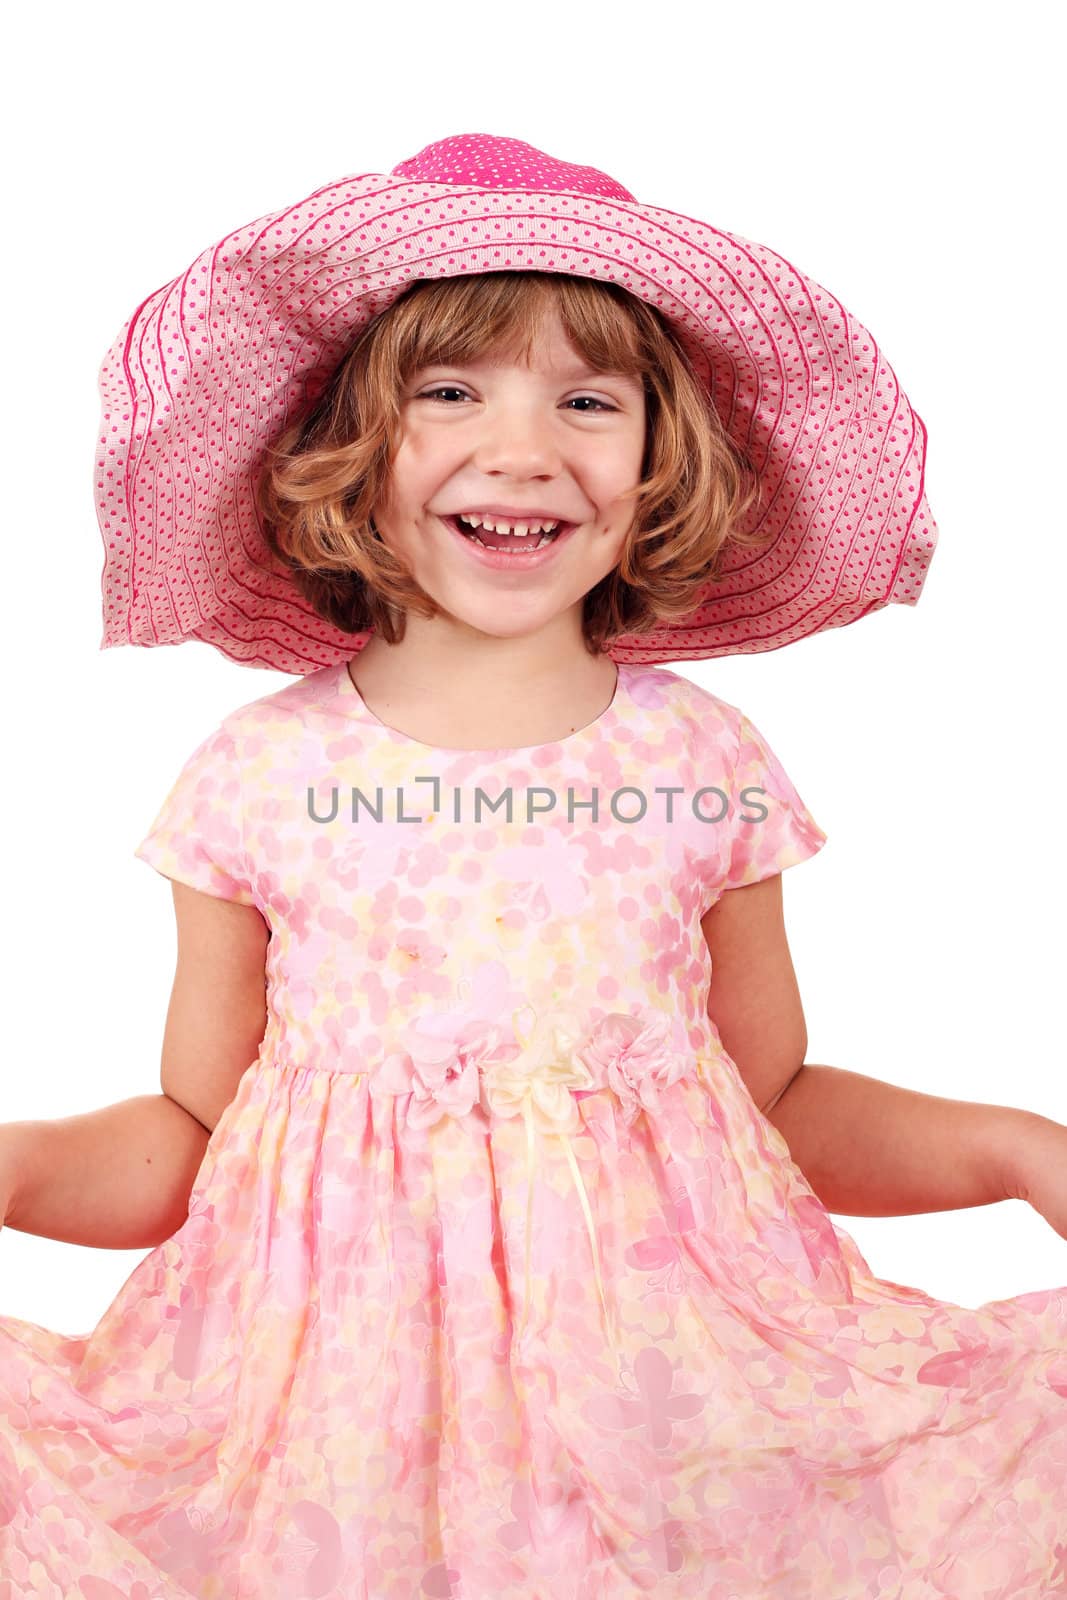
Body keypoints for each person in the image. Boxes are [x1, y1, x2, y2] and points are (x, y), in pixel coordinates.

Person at [1, 132, 1064, 1599]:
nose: (522, 447)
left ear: (655, 460)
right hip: (329, 1454)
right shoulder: (259, 778)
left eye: (587, 400)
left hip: (668, 1426)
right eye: (450, 393)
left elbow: (775, 1103)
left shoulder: (699, 761)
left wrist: (1018, 1148)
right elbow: (196, 1131)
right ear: (349, 453)